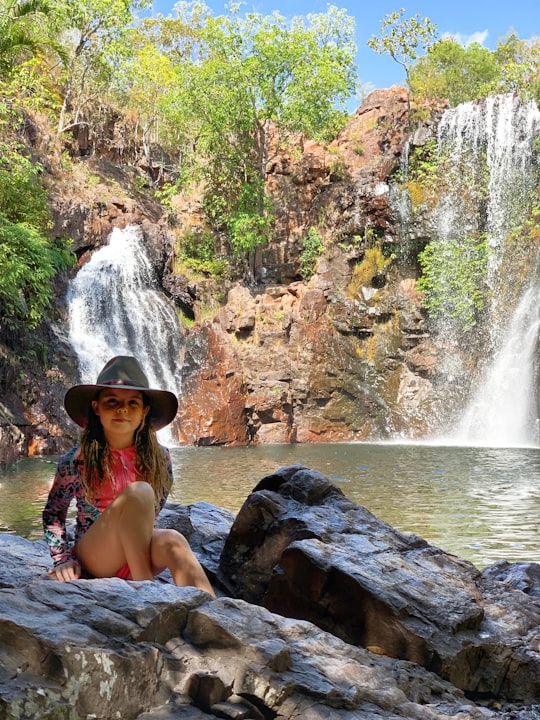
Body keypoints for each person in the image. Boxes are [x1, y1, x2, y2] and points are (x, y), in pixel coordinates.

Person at [42, 355, 215, 596]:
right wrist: (63, 559)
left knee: (174, 540)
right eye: (112, 401)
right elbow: (53, 513)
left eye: (133, 403)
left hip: (136, 551)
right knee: (140, 491)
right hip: (96, 556)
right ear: (97, 407)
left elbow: (152, 510)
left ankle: (213, 616)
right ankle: (148, 594)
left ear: (144, 411)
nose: (122, 409)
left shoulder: (160, 458)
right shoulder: (76, 460)